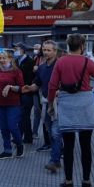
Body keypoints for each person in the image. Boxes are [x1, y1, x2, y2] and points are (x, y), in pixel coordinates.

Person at [48, 33, 94, 187]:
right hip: (85, 103)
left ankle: (68, 182)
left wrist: (50, 104)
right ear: (82, 46)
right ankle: (86, 181)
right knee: (86, 145)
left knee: (68, 145)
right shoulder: (88, 62)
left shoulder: (60, 62)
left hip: (67, 103)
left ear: (68, 46)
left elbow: (53, 85)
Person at [26, 40, 62, 173]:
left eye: (48, 50)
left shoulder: (60, 65)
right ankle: (57, 156)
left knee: (55, 132)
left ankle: (54, 160)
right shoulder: (41, 67)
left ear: (55, 51)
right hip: (46, 101)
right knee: (49, 130)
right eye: (44, 50)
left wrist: (60, 90)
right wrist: (29, 88)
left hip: (59, 102)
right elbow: (37, 84)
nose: (46, 52)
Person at [0, 50, 25, 160]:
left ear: (10, 59)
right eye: (0, 58)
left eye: (4, 58)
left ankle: (19, 144)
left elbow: (21, 88)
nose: (2, 60)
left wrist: (10, 87)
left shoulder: (16, 71)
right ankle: (7, 150)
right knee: (3, 128)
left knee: (12, 126)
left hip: (13, 104)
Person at [13, 42, 36, 144]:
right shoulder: (17, 61)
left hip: (27, 92)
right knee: (22, 115)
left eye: (16, 49)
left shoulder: (30, 61)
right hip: (19, 92)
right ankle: (26, 136)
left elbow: (29, 77)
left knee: (24, 115)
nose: (15, 51)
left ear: (22, 50)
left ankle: (25, 137)